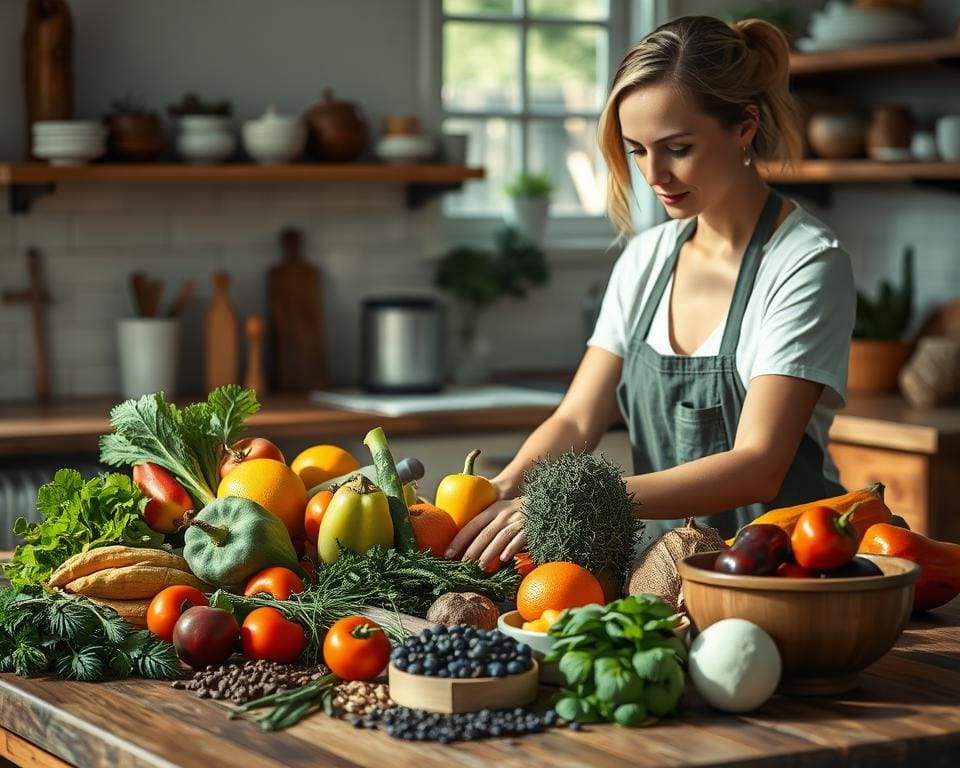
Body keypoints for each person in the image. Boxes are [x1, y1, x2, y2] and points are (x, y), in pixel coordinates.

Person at [444, 15, 856, 570]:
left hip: (787, 574)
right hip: (662, 574)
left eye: (678, 147)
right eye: (637, 150)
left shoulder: (804, 263)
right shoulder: (646, 258)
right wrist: (504, 487)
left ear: (744, 126)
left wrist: (579, 500)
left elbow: (760, 463)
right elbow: (576, 420)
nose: (654, 174)